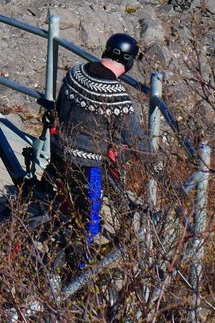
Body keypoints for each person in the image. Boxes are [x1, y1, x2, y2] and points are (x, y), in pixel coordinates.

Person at [53, 33, 149, 255]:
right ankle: (79, 266)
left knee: (65, 197)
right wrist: (160, 171)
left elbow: (59, 108)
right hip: (86, 166)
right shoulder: (116, 95)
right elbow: (135, 139)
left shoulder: (76, 71)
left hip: (57, 149)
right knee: (89, 222)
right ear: (129, 62)